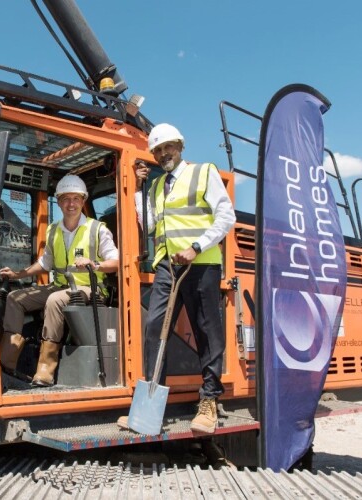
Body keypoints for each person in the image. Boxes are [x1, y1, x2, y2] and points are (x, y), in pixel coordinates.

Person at [118, 123, 236, 433]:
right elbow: (151, 224)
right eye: (157, 150)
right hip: (167, 268)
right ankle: (149, 407)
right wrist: (140, 191)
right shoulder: (157, 187)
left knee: (206, 331)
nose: (162, 153)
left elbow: (226, 216)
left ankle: (209, 401)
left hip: (201, 264)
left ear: (180, 147)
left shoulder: (203, 173)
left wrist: (196, 247)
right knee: (155, 327)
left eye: (167, 147)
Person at [0, 174, 120, 386]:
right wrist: (18, 274)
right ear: (59, 201)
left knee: (55, 300)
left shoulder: (97, 229)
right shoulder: (54, 229)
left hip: (92, 288)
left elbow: (117, 261)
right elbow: (45, 263)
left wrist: (95, 264)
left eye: (75, 199)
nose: (71, 204)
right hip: (63, 286)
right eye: (65, 199)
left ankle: (45, 370)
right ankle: (6, 363)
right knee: (15, 298)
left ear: (83, 201)